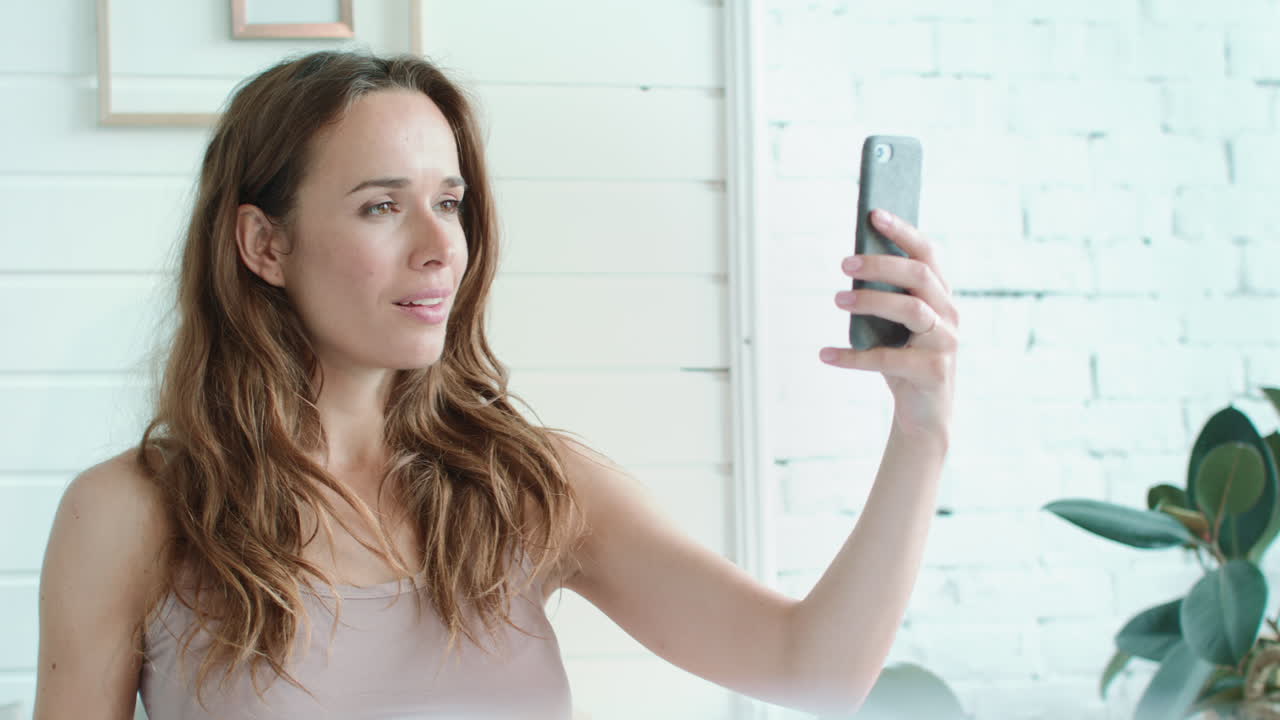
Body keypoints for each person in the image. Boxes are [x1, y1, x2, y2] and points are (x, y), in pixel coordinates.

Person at [33, 49, 959, 720]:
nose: (441, 248)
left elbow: (813, 669)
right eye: (382, 206)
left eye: (449, 201)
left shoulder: (527, 485)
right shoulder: (131, 514)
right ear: (263, 245)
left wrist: (921, 435)